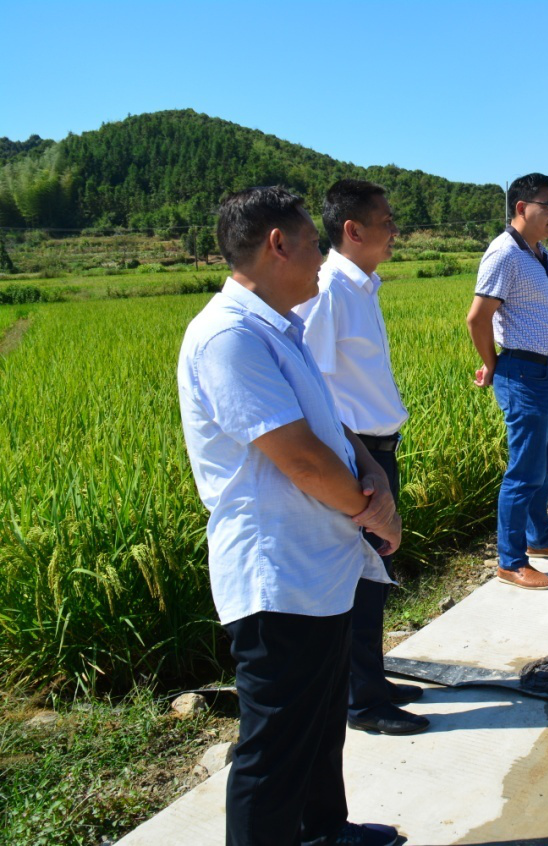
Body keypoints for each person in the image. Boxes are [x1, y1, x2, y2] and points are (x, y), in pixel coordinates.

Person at [177, 186, 400, 846]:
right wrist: (374, 513)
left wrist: (373, 473)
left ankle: (324, 831)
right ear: (278, 245)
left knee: (319, 719)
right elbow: (298, 456)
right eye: (313, 244)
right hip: (276, 575)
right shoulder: (228, 336)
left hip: (317, 564)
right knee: (273, 746)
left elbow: (327, 425)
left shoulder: (282, 328)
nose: (321, 257)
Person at [294, 179, 429, 737]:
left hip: (376, 452)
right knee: (360, 580)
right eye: (386, 220)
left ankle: (371, 679)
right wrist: (357, 464)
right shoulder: (329, 291)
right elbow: (313, 386)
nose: (395, 228)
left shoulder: (362, 287)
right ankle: (363, 701)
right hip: (357, 456)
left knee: (374, 576)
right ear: (353, 230)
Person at [466, 172, 548, 591]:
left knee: (546, 464)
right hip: (525, 373)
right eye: (547, 206)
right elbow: (477, 318)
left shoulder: (539, 252)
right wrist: (492, 363)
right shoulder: (504, 254)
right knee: (524, 470)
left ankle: (540, 540)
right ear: (521, 208)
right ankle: (510, 561)